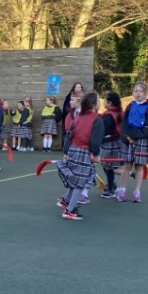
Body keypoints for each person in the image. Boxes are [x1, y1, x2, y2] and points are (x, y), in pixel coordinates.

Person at [56, 92, 104, 221]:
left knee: (75, 180)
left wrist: (66, 151)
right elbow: (95, 141)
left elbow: (69, 135)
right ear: (94, 104)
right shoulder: (97, 120)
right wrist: (97, 155)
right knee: (80, 183)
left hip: (73, 150)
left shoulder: (78, 117)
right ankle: (70, 210)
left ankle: (65, 201)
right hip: (84, 152)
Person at [116, 82, 148, 203]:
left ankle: (137, 192)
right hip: (129, 140)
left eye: (140, 91)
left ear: (145, 93)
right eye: (136, 91)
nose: (137, 93)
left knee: (139, 166)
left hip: (143, 140)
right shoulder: (130, 105)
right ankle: (122, 190)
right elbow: (124, 123)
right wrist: (125, 136)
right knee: (127, 165)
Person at [98, 92, 124, 198]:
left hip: (110, 142)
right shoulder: (117, 112)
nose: (103, 102)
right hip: (116, 141)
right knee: (107, 165)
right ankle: (111, 184)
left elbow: (104, 130)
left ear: (110, 102)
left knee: (108, 166)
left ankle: (110, 189)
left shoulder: (109, 115)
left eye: (105, 100)